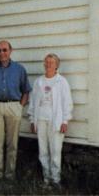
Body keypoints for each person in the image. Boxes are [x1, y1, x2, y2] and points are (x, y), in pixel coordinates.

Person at [0, 40, 32, 181]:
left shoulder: (19, 69)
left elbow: (26, 91)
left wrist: (19, 107)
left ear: (10, 51)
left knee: (12, 143)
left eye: (4, 50)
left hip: (13, 106)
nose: (2, 53)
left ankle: (10, 175)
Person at [28, 53, 73, 187]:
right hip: (40, 120)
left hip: (56, 121)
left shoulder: (62, 82)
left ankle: (56, 179)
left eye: (52, 63)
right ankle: (46, 179)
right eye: (46, 62)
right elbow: (33, 101)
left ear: (57, 65)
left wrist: (65, 120)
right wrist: (32, 120)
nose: (48, 65)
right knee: (43, 150)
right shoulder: (38, 81)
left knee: (55, 150)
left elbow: (67, 102)